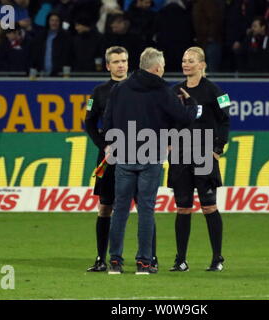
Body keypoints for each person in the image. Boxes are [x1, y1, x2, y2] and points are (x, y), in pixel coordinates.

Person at [103, 47, 200, 275]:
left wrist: (114, 143)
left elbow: (107, 122)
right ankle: (144, 263)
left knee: (120, 210)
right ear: (157, 67)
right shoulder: (163, 91)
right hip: (151, 155)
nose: (164, 69)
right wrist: (191, 102)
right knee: (146, 210)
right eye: (164, 66)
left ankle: (115, 262)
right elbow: (185, 117)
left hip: (124, 155)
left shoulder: (119, 88)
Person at [85, 46, 158, 272]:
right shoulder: (98, 92)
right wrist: (104, 145)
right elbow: (89, 122)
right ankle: (101, 258)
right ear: (108, 66)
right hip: (109, 158)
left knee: (145, 207)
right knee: (106, 207)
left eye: (124, 61)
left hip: (139, 155)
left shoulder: (140, 89)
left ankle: (150, 258)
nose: (121, 65)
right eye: (116, 61)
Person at [168, 46, 229, 272]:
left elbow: (225, 120)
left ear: (202, 65)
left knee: (209, 206)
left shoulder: (216, 92)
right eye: (184, 60)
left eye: (191, 60)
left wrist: (217, 149)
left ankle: (217, 258)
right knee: (182, 208)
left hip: (204, 155)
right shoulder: (174, 91)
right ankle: (180, 260)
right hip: (181, 156)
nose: (186, 64)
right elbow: (167, 120)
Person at [30, 12, 71, 76]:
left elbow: (67, 57)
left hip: (59, 75)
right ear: (48, 22)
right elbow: (35, 55)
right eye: (52, 20)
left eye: (56, 21)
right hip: (41, 74)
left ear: (60, 22)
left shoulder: (65, 38)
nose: (54, 23)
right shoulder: (41, 37)